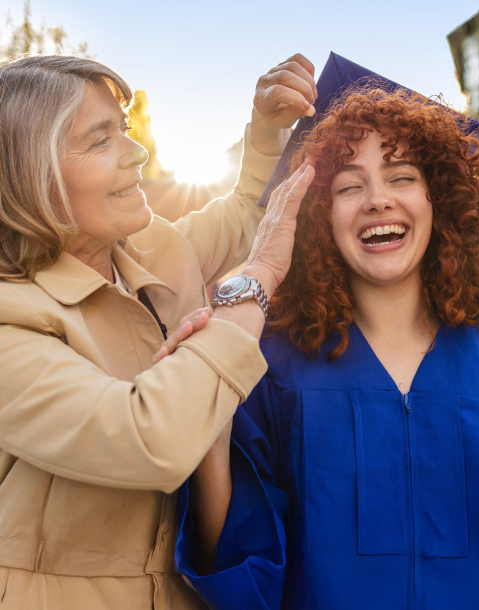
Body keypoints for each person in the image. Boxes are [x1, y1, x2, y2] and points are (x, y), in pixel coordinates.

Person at [0, 52, 317, 609]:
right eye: (101, 141)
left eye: (122, 129)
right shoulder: (11, 319)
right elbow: (150, 440)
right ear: (31, 172)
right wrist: (256, 281)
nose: (137, 151)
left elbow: (251, 214)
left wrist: (267, 131)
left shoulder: (159, 247)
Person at [177, 86, 479, 609]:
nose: (378, 199)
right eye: (349, 186)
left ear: (441, 198)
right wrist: (210, 417)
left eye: (402, 177)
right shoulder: (271, 367)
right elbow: (230, 554)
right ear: (320, 214)